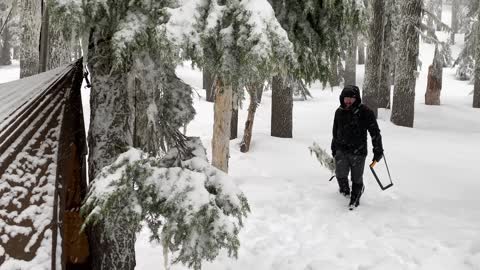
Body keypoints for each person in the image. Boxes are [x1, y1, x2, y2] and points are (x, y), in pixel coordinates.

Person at [331, 85, 384, 209]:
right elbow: (335, 132)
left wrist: (378, 149)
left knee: (356, 177)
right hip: (341, 150)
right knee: (340, 174)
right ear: (342, 98)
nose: (348, 101)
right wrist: (334, 148)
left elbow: (375, 132)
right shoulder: (339, 112)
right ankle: (344, 191)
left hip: (358, 152)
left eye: (351, 98)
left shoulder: (366, 112)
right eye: (346, 98)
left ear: (357, 99)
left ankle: (355, 197)